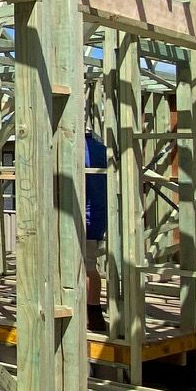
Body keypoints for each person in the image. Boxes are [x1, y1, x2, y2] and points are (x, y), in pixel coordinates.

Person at [84, 129, 109, 331]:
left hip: (79, 218)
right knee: (90, 265)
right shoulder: (101, 150)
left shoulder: (73, 148)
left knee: (83, 267)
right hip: (98, 217)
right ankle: (94, 312)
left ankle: (89, 315)